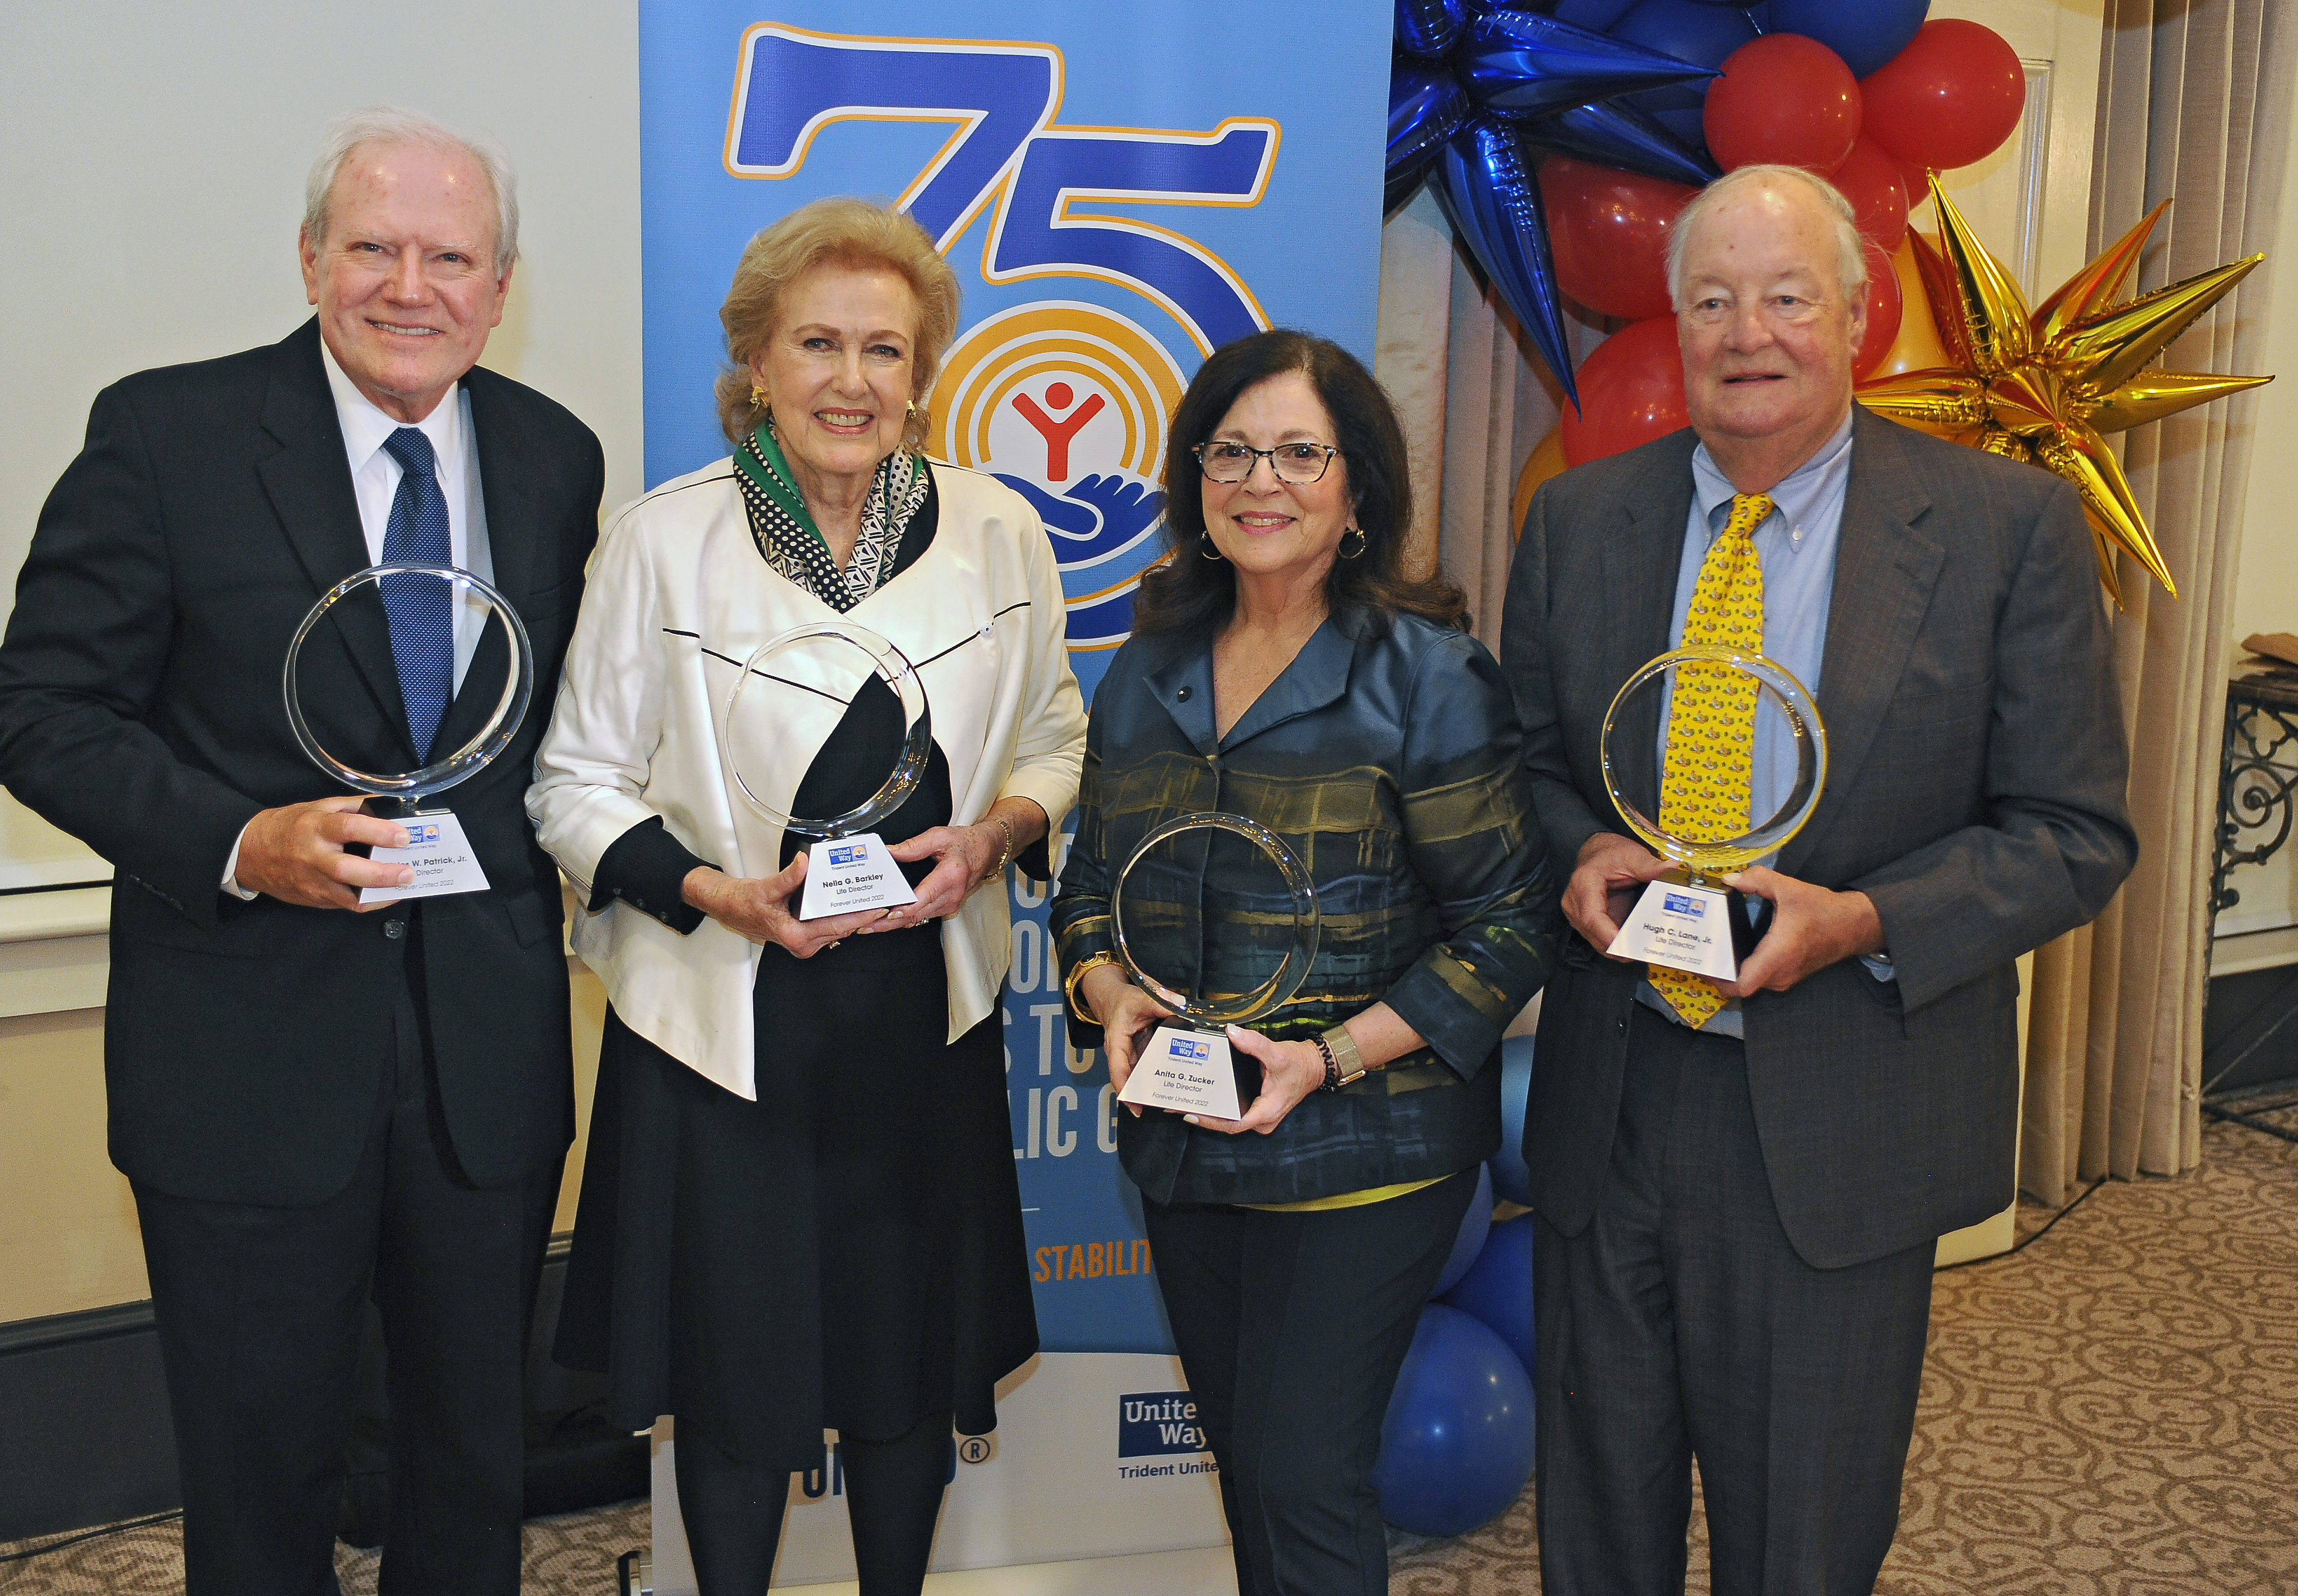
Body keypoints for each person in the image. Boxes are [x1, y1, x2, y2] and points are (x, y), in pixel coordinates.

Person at [1501, 163, 2138, 1594]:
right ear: (1674, 326)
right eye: (1714, 300)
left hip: (1843, 1101)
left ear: (1855, 317)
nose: (1750, 332)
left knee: (1805, 1539)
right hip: (1617, 1092)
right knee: (1598, 1521)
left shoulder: (2001, 530)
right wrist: (1582, 847)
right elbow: (1528, 767)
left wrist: (1860, 919)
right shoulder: (1579, 522)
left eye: (1789, 296)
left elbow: (2074, 829)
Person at [0, 108, 603, 1594]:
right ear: (310, 258)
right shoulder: (166, 432)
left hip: (484, 1058)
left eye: (451, 255)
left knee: (473, 1469)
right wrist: (235, 836)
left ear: (503, 283)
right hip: (245, 1058)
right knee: (261, 1480)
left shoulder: (552, 456)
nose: (412, 285)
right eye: (375, 248)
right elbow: (40, 704)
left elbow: (557, 733)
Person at [527, 196, 1086, 1596]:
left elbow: (1057, 736)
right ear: (757, 365)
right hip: (725, 1022)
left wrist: (1001, 832)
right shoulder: (662, 540)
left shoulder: (1001, 534)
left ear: (924, 371)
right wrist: (716, 888)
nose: (853, 379)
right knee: (734, 1381)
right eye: (818, 343)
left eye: (885, 350)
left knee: (904, 1372)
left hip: (919, 1012)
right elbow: (572, 785)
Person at [1051, 329, 1558, 1596]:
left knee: (1305, 1479)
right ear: (1194, 479)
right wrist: (1108, 996)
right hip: (1183, 1140)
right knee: (1249, 1466)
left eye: (1297, 452)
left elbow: (1508, 923)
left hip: (1363, 1153)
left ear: (1357, 489)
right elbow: (1084, 897)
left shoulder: (1428, 675)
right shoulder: (1146, 667)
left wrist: (1325, 1056)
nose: (1259, 480)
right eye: (1230, 450)